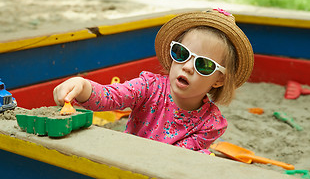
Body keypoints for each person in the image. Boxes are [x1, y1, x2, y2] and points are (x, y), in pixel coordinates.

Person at [53, 8, 254, 154]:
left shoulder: (211, 124)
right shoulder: (149, 88)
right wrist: (82, 86)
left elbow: (177, 160)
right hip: (123, 164)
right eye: (182, 53)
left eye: (204, 65)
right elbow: (111, 97)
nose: (187, 67)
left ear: (219, 80)